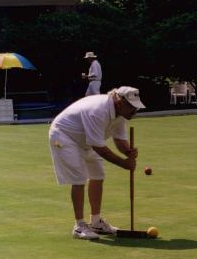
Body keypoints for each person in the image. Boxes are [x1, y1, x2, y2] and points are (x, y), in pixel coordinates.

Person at [49, 86, 145, 239]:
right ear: (120, 102)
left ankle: (96, 222)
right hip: (63, 136)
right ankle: (79, 226)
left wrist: (127, 151)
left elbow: (119, 139)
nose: (135, 112)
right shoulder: (98, 110)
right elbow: (99, 147)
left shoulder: (120, 115)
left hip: (86, 140)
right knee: (79, 179)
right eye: (132, 108)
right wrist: (123, 163)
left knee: (98, 175)